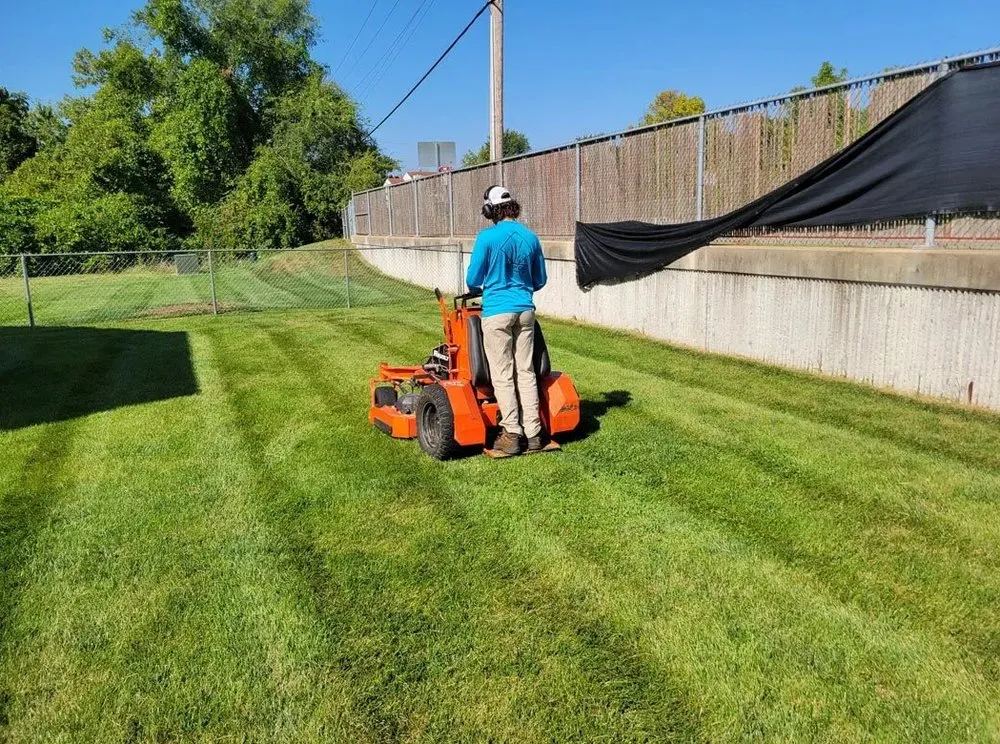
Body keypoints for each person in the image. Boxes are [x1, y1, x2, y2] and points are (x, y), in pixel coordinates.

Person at [466, 185, 548, 456]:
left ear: (490, 210)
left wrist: (485, 284)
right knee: (525, 370)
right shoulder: (531, 238)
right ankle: (534, 433)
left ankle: (512, 433)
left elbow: (473, 279)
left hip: (497, 311)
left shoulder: (487, 238)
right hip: (525, 310)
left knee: (502, 373)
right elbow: (540, 280)